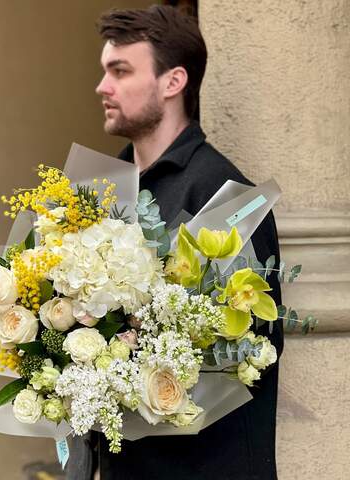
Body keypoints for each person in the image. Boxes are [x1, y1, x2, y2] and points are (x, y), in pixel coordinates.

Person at [65, 5, 283, 479]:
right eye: (105, 71)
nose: (103, 87)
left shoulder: (224, 195)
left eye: (120, 71)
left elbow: (254, 352)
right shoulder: (101, 191)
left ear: (173, 82)